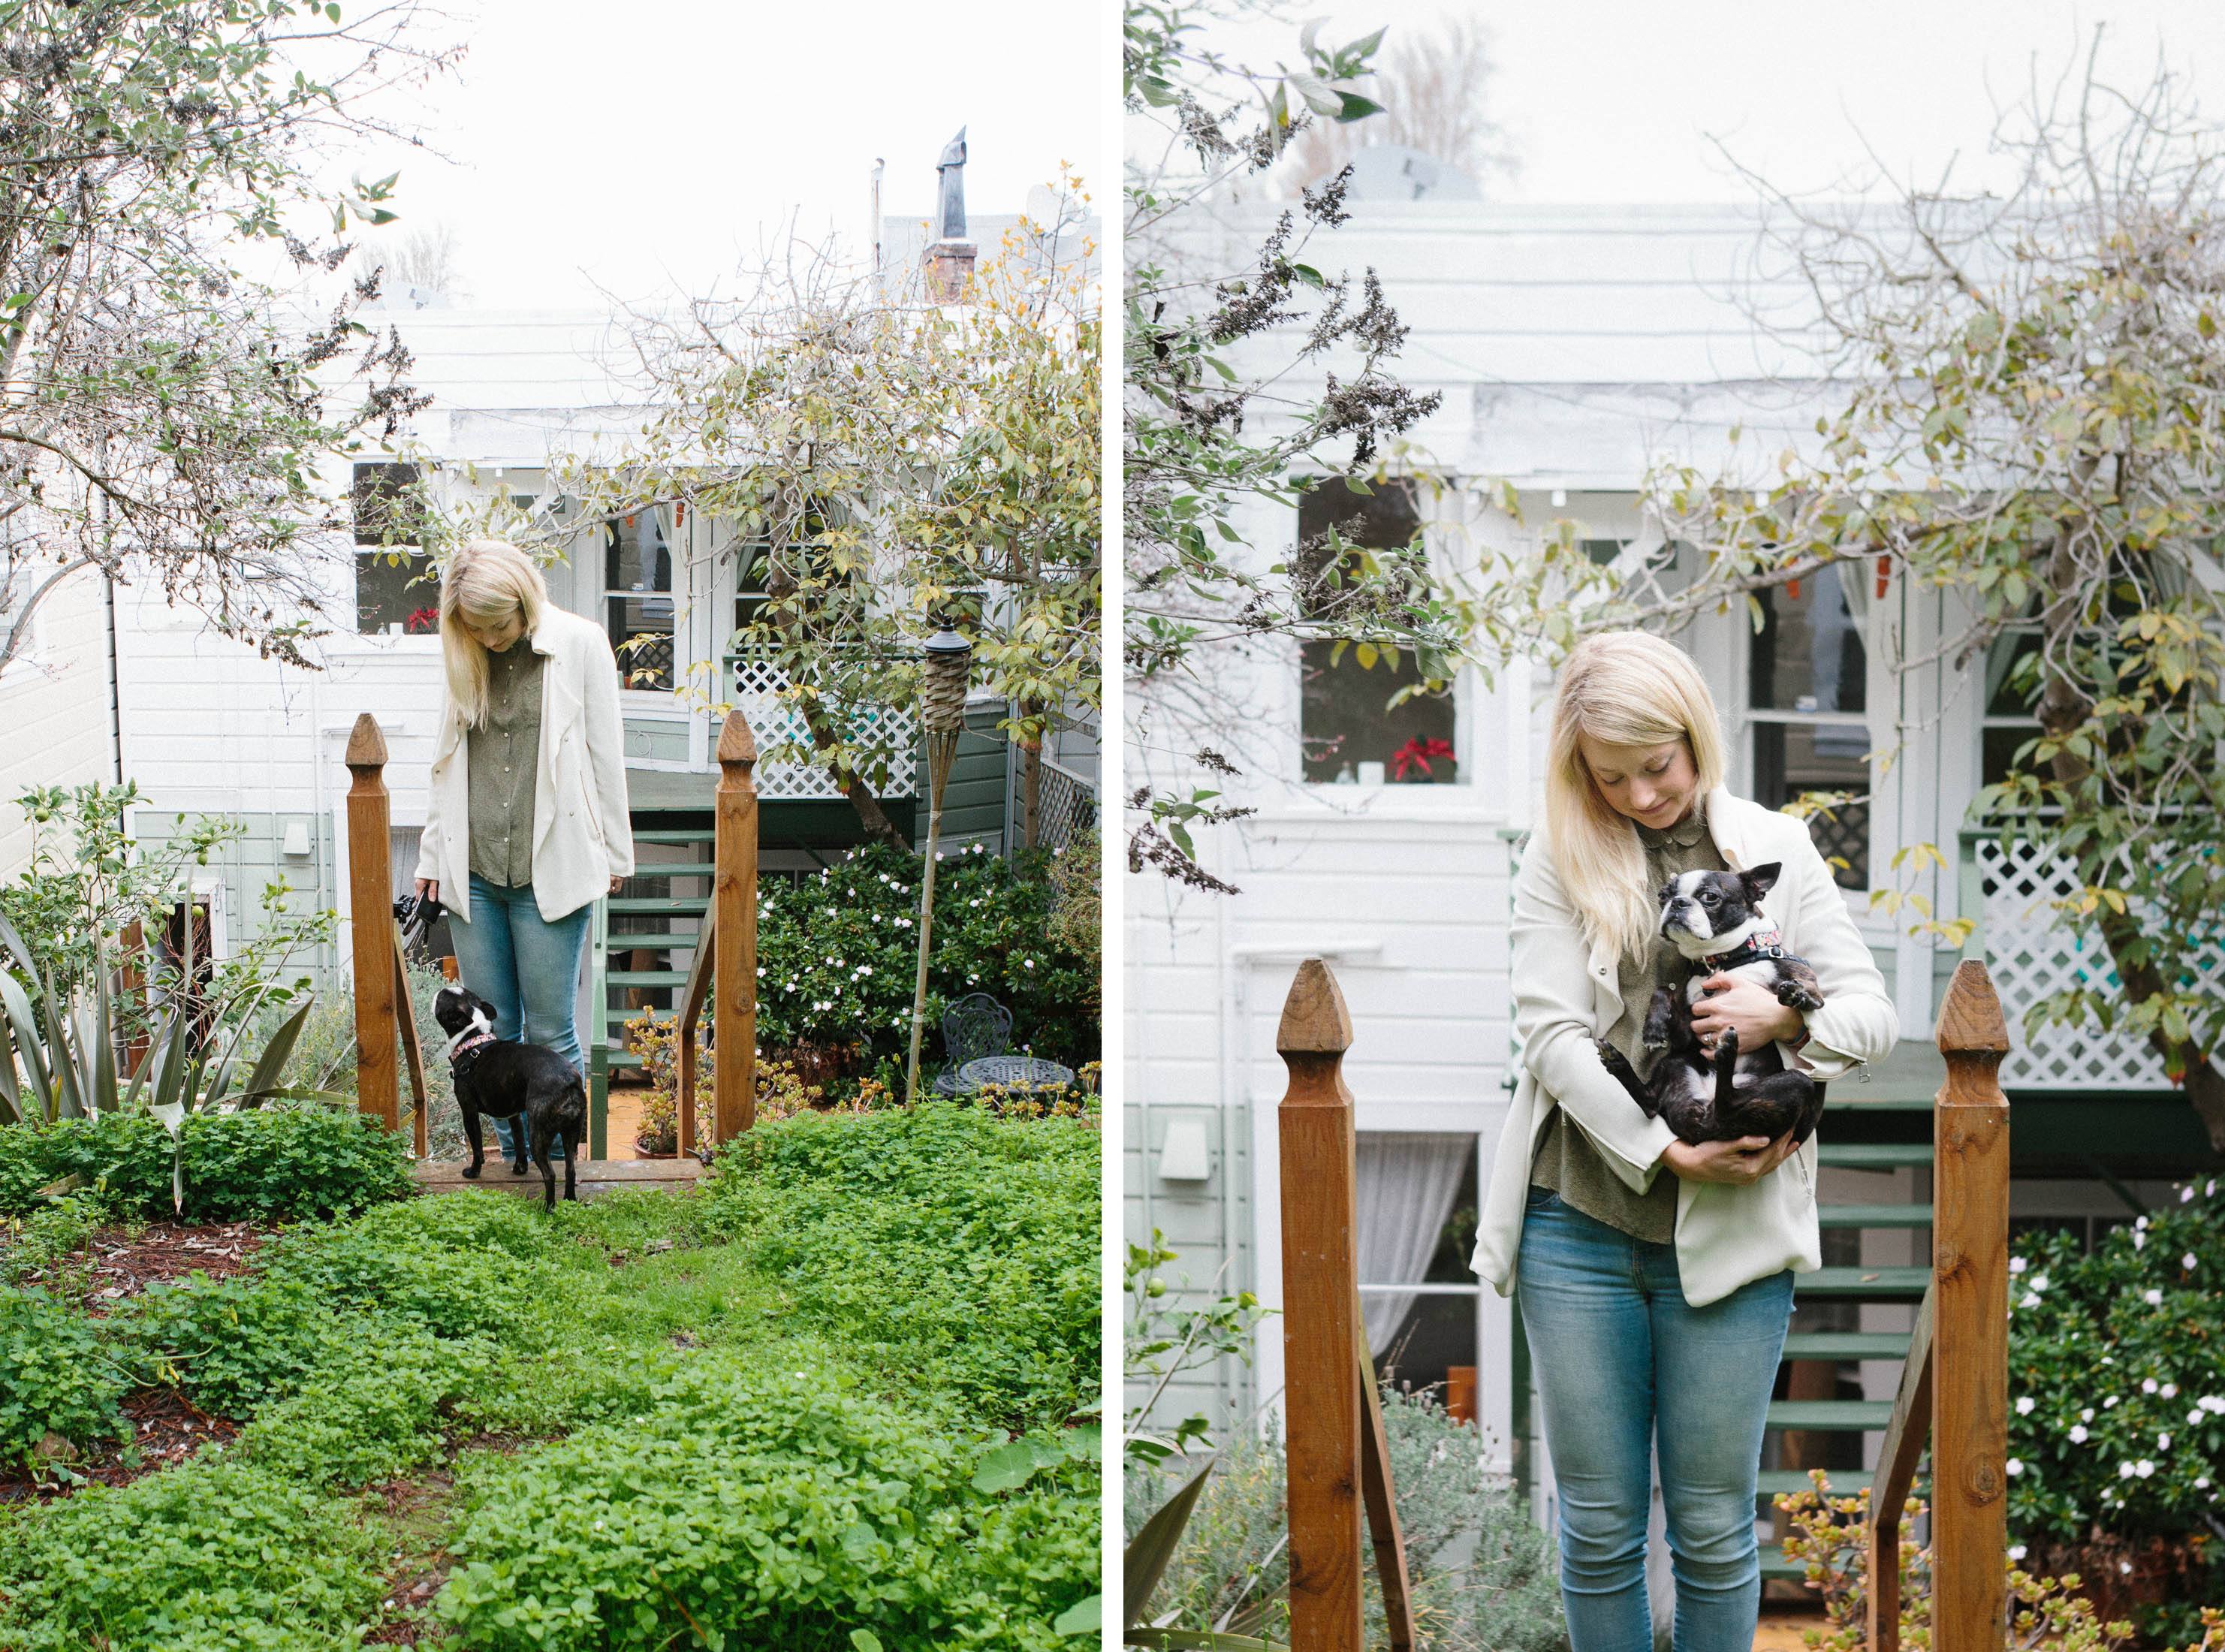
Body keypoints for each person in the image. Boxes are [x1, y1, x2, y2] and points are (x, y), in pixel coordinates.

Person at [1468, 630, 1898, 1649]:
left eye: (1655, 767)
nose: (1639, 795)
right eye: (1608, 777)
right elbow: (1551, 1036)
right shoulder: (1559, 853)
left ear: (1693, 736)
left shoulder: (1776, 850)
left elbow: (1869, 1016)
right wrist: (1662, 1151)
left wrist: (1782, 1021)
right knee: (1601, 1526)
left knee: (1710, 1528)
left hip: (1732, 1235)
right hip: (1577, 1221)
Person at [413, 539, 632, 1164]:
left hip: (550, 869)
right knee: (490, 1030)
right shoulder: (466, 655)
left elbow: (604, 753)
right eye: (474, 629)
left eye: (497, 625)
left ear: (525, 601)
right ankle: (511, 1163)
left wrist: (617, 852)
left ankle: (560, 1167)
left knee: (548, 1030)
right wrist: (431, 858)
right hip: (475, 869)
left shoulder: (581, 644)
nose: (487, 639)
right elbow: (446, 764)